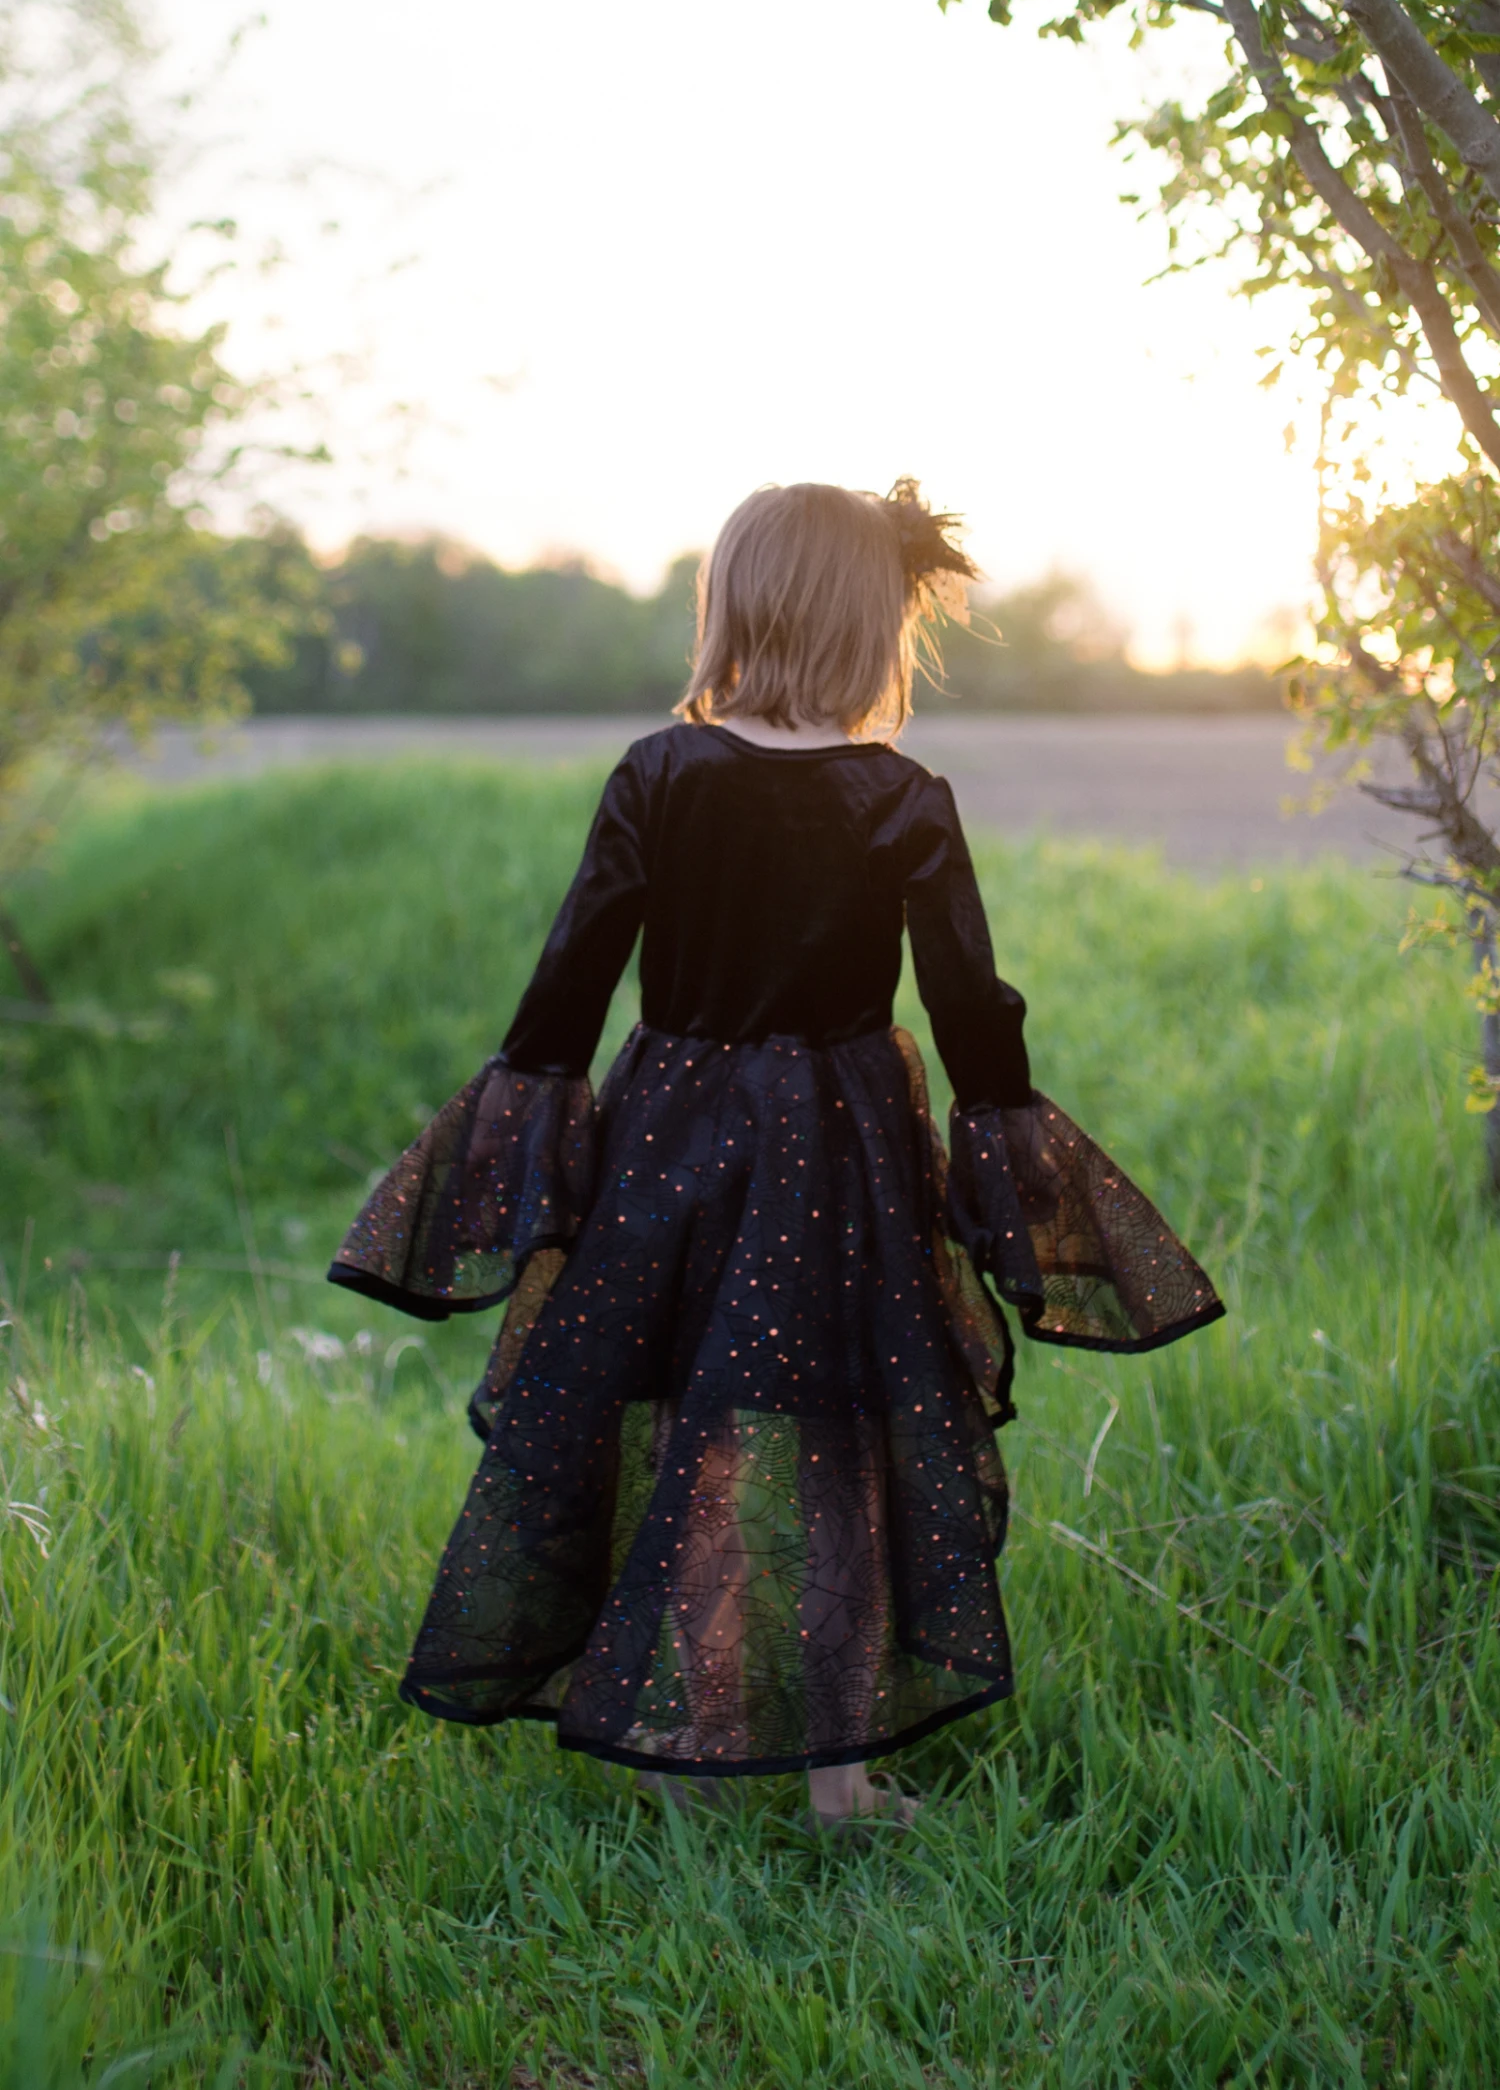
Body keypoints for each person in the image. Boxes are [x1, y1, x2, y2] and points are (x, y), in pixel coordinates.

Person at [328, 479, 1223, 1831]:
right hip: (845, 1151)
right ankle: (836, 1779)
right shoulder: (900, 795)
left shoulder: (660, 774)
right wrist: (1017, 1173)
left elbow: (571, 976)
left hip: (671, 1140)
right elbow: (972, 1005)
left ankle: (669, 1732)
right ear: (876, 624)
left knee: (668, 1414)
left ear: (734, 604)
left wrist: (524, 1144)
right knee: (842, 1441)